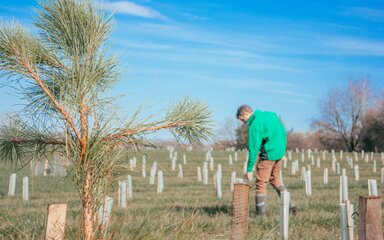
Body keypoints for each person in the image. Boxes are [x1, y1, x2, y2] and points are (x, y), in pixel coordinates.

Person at [236, 104, 292, 216]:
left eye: (242, 119)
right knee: (275, 180)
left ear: (246, 114)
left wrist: (249, 169)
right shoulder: (271, 114)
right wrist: (282, 152)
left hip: (268, 154)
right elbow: (282, 131)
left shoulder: (255, 125)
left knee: (261, 183)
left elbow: (253, 148)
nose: (244, 123)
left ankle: (260, 216)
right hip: (279, 153)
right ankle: (290, 206)